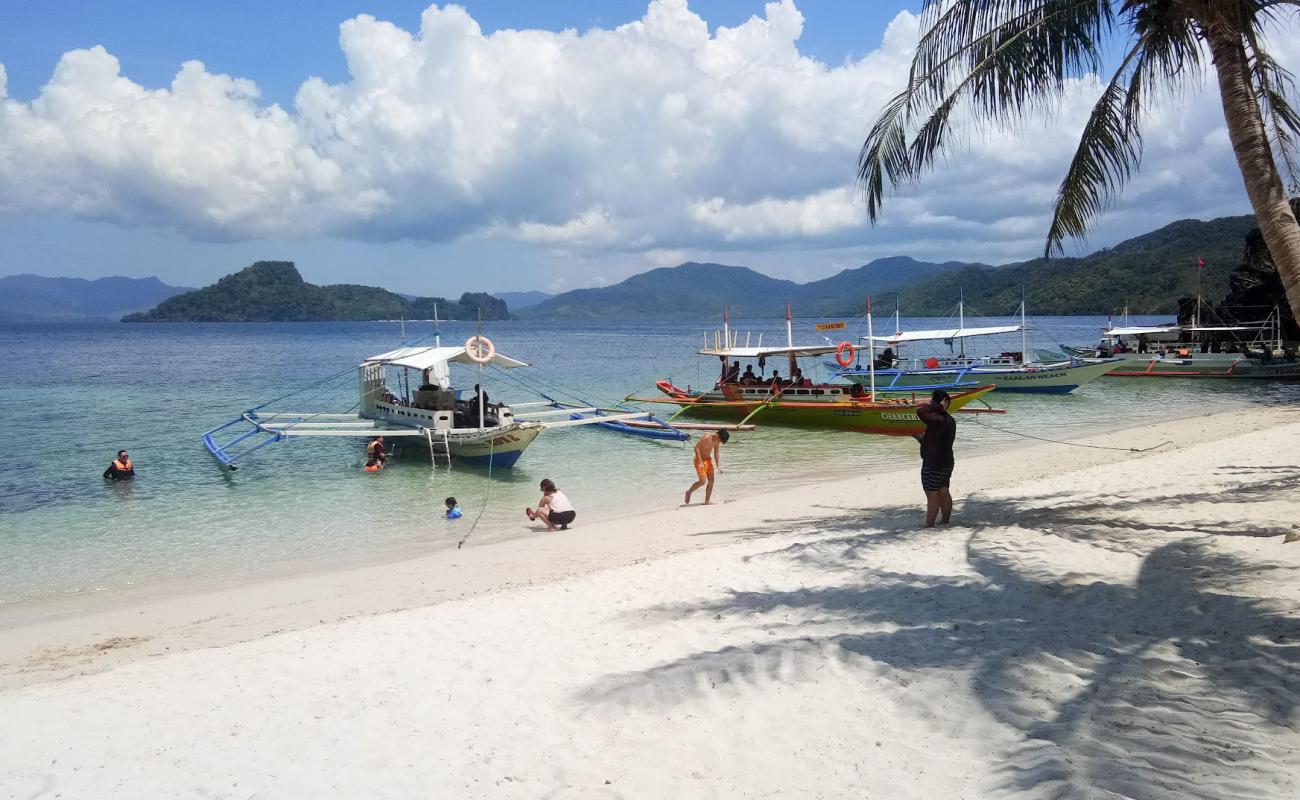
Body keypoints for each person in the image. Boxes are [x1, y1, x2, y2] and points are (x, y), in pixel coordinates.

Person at [915, 389, 956, 527]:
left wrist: (935, 405)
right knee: (943, 491)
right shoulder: (947, 420)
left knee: (932, 493)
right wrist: (922, 439)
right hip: (945, 461)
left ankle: (929, 524)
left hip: (935, 463)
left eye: (933, 401)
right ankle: (945, 521)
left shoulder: (940, 419)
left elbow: (920, 412)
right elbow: (938, 440)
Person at [685, 429, 729, 505]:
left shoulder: (716, 441)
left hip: (708, 460)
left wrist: (718, 466)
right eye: (721, 440)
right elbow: (696, 448)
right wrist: (700, 462)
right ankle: (689, 492)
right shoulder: (707, 437)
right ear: (718, 435)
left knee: (711, 481)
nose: (720, 442)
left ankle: (707, 502)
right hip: (699, 460)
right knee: (702, 481)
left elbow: (716, 452)